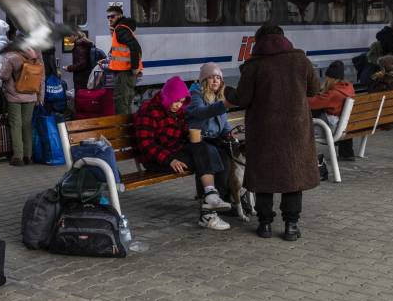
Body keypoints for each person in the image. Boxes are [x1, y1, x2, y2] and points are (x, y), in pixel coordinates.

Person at [230, 23, 320, 241]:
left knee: (264, 179)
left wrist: (226, 90)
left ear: (258, 41)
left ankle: (265, 225)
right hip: (295, 131)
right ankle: (291, 226)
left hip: (264, 132)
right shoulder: (300, 60)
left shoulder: (254, 65)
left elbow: (240, 99)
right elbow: (315, 90)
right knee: (293, 178)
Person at [134, 76, 232, 230]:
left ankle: (210, 194)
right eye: (176, 101)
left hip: (175, 151)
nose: (178, 105)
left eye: (181, 102)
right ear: (167, 96)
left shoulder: (178, 110)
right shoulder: (149, 111)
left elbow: (183, 130)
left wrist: (191, 135)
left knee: (206, 149)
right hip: (156, 159)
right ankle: (209, 212)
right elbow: (146, 144)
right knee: (207, 158)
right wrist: (169, 160)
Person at [185, 63, 234, 200]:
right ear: (204, 80)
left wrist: (230, 132)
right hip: (199, 140)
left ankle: (226, 197)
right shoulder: (196, 94)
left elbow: (223, 122)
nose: (215, 80)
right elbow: (201, 112)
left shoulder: (218, 96)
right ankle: (211, 197)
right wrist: (223, 105)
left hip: (214, 140)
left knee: (228, 157)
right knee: (215, 157)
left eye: (218, 77)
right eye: (211, 77)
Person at [0, 48, 45, 166]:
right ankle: (28, 156)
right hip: (31, 95)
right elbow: (41, 77)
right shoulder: (37, 54)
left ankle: (18, 157)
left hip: (14, 96)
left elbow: (4, 76)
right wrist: (40, 96)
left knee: (16, 125)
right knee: (27, 125)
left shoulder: (12, 56)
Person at [308, 60, 355, 160]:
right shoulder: (349, 88)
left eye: (327, 78)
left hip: (334, 128)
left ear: (331, 78)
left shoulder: (333, 94)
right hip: (346, 125)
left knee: (312, 112)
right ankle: (347, 153)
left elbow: (312, 103)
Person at [106, 5, 142, 114]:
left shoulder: (121, 29)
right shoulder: (122, 28)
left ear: (120, 16)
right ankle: (127, 127)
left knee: (121, 104)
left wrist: (134, 67)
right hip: (126, 72)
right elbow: (122, 50)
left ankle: (122, 129)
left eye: (112, 16)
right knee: (126, 103)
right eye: (108, 17)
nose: (110, 19)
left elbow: (135, 47)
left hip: (124, 73)